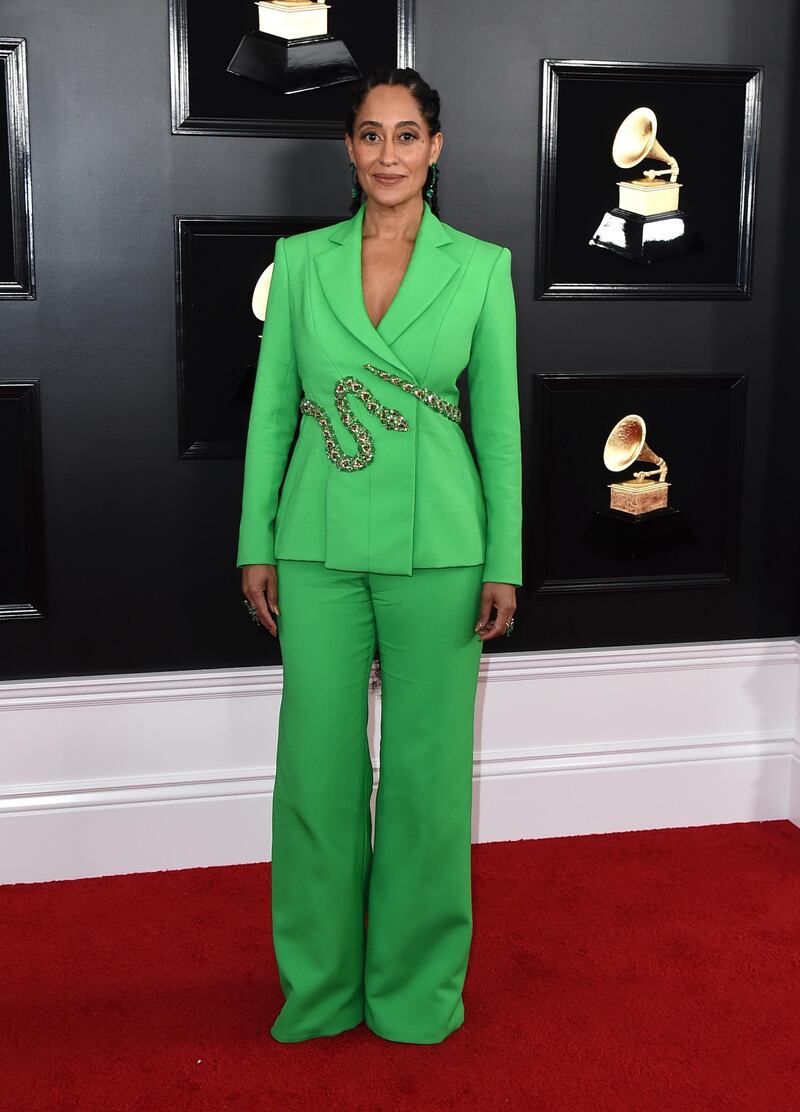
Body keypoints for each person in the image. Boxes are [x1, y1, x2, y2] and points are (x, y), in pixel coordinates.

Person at [237, 66, 522, 1045]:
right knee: (314, 776)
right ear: (349, 149)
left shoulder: (480, 267)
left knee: (424, 779)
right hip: (313, 545)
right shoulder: (301, 260)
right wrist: (255, 541)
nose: (388, 154)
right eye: (369, 135)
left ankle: (415, 993)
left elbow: (499, 426)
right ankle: (316, 989)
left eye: (406, 135)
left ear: (434, 148)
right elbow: (271, 411)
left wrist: (503, 560)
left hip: (442, 551)